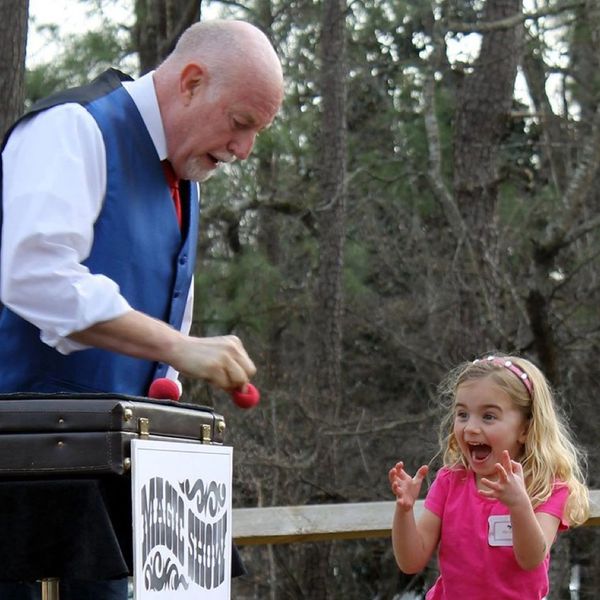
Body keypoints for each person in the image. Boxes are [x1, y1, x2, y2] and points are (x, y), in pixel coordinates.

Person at [0, 18, 283, 600]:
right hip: (21, 484)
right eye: (239, 124)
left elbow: (167, 299)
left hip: (114, 482)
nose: (243, 150)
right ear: (192, 81)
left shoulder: (186, 175)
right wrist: (177, 347)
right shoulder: (74, 129)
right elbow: (34, 276)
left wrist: (168, 382)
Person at [388, 354, 589, 600]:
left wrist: (518, 505)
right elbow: (411, 561)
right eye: (462, 414)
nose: (471, 427)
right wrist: (404, 511)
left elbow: (531, 558)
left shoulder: (546, 487)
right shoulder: (450, 481)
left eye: (489, 416)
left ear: (525, 429)